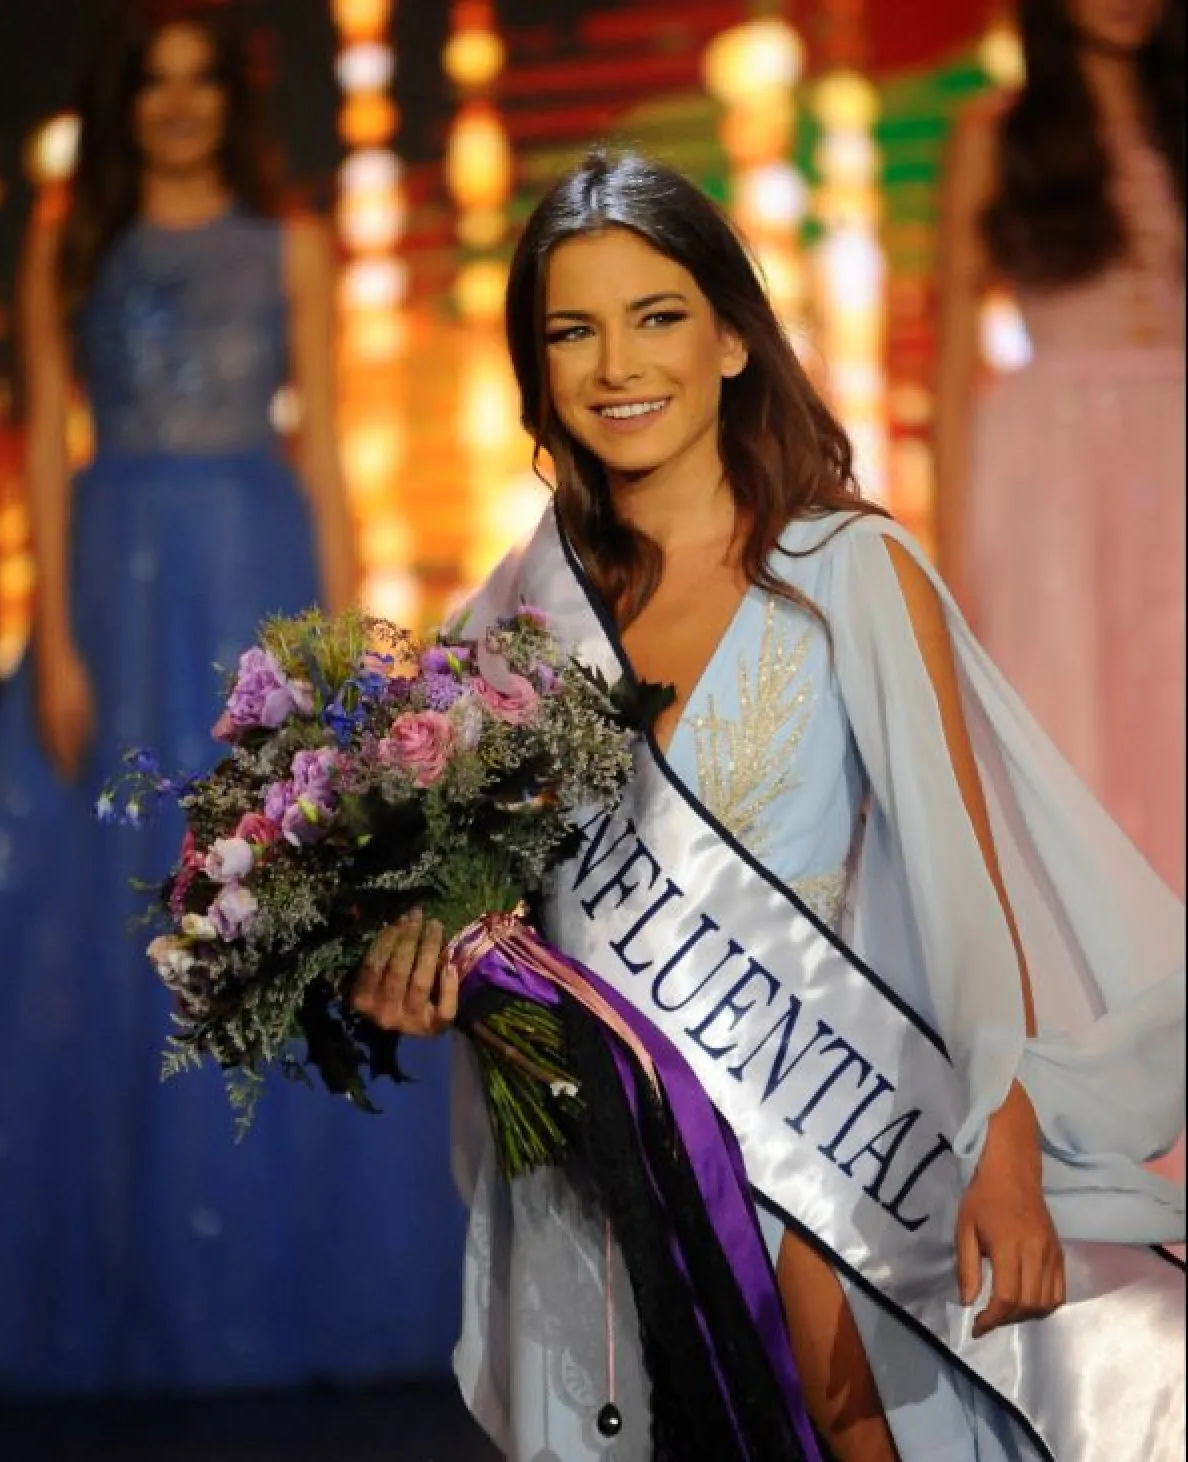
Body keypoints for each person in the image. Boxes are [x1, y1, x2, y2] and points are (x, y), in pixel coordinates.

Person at [352, 150, 1186, 1461]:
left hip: (828, 1148)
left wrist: (1004, 1150)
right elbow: (477, 898)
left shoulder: (846, 569)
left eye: (657, 316)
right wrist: (419, 956)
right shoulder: (516, 614)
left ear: (733, 338)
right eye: (573, 331)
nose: (617, 365)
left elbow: (963, 889)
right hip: (612, 1174)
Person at [0, 0, 464, 1392]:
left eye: (202, 81)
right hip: (112, 590)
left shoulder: (288, 244)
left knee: (266, 896)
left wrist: (343, 662)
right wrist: (54, 641)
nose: (181, 105)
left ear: (230, 101)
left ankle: (286, 1268)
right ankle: (127, 1275)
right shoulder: (73, 240)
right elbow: (45, 445)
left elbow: (326, 454)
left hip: (250, 570)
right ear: (126, 102)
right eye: (157, 82)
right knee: (104, 910)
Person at [932, 0, 1185, 897]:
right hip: (1055, 466)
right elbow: (952, 358)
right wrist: (949, 564)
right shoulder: (998, 134)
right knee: (1068, 706)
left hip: (1175, 445)